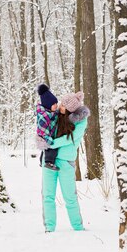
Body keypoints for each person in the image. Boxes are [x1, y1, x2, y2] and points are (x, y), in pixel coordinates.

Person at [37, 91, 90, 233]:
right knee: (48, 196)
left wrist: (51, 143)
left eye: (63, 104)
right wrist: (42, 141)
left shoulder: (80, 121)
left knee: (70, 197)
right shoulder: (55, 115)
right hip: (49, 160)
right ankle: (49, 227)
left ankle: (78, 227)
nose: (60, 105)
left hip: (66, 162)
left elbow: (71, 139)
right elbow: (43, 127)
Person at [36, 84, 60, 171]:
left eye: (56, 103)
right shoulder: (44, 116)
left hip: (50, 133)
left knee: (47, 151)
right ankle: (48, 162)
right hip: (45, 135)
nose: (56, 105)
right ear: (48, 104)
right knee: (50, 148)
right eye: (54, 104)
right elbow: (41, 130)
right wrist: (47, 138)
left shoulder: (51, 112)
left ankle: (42, 160)